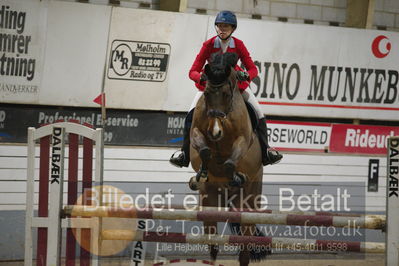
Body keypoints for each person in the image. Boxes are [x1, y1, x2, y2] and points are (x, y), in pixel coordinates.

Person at [170, 10, 282, 168]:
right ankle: (184, 153)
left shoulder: (239, 45)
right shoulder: (208, 45)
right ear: (216, 27)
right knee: (190, 115)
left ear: (233, 29)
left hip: (234, 88)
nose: (222, 30)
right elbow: (193, 70)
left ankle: (266, 151)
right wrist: (200, 77)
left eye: (226, 27)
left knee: (258, 113)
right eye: (220, 26)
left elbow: (252, 69)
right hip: (211, 88)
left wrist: (245, 75)